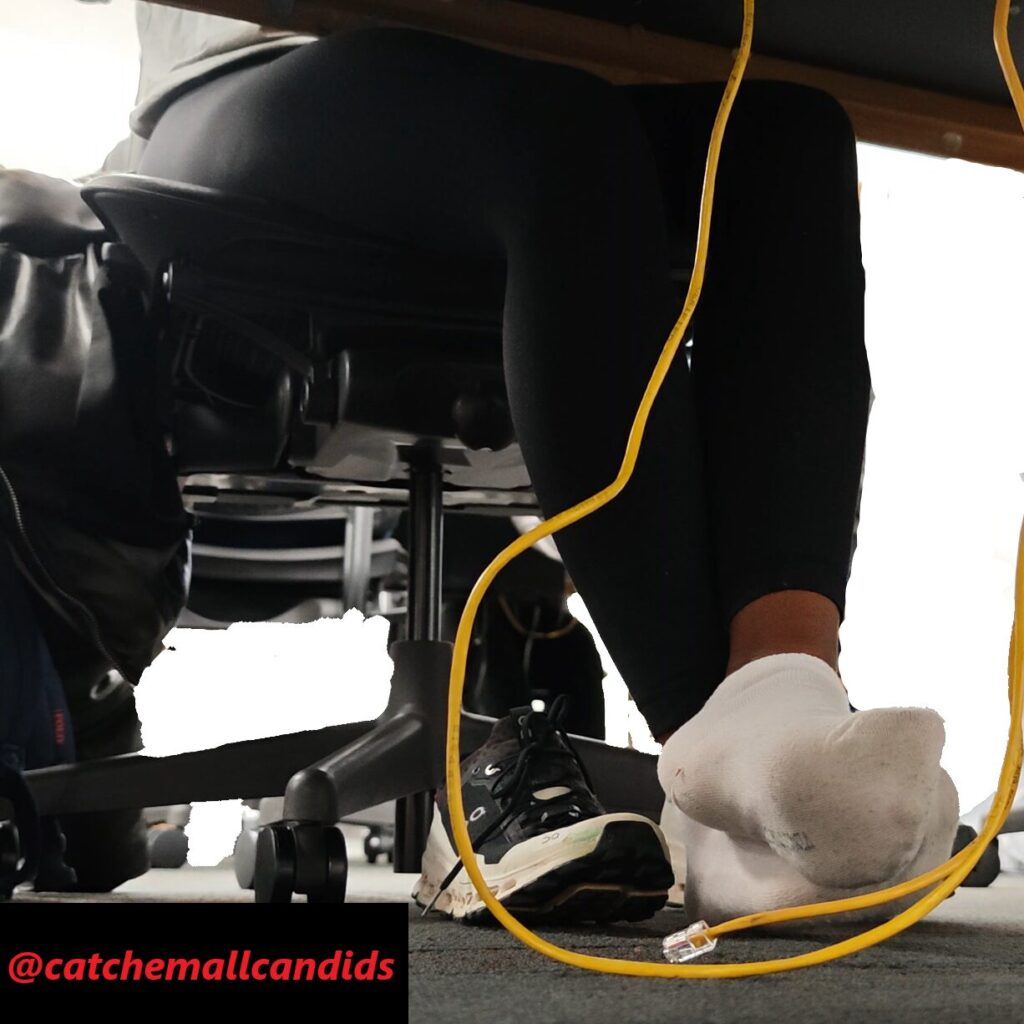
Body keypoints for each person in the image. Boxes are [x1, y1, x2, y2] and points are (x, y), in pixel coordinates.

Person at [31, 4, 960, 920]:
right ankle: (715, 769)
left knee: (786, 135)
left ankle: (785, 691)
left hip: (525, 73)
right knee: (570, 136)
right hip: (257, 77)